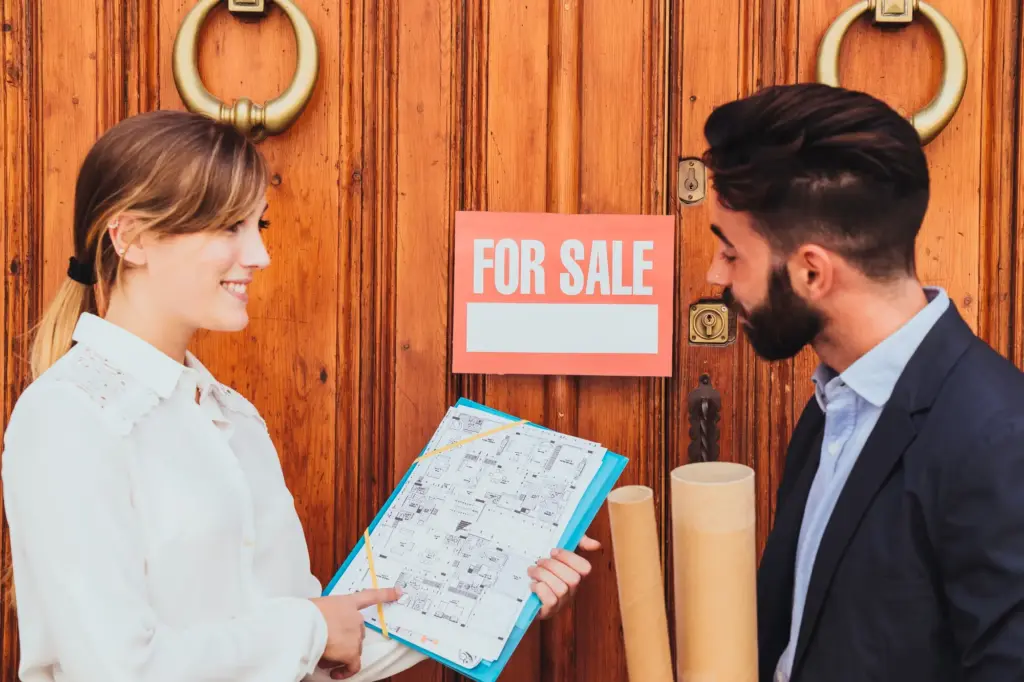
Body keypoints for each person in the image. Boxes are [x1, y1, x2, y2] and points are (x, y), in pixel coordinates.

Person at [0, 110, 600, 682]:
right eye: (227, 226)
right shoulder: (66, 418)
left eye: (257, 225)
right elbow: (112, 669)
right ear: (130, 236)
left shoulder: (231, 417)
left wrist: (502, 590)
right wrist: (309, 629)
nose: (259, 255)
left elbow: (322, 655)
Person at [701, 82, 1024, 681]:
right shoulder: (835, 400)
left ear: (811, 271)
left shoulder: (999, 437)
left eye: (732, 253)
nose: (715, 273)